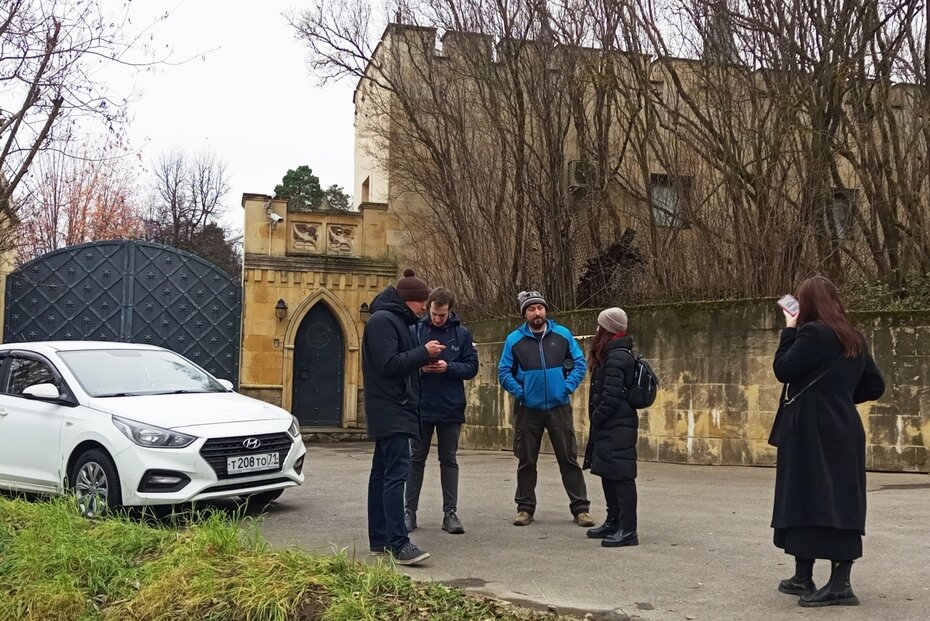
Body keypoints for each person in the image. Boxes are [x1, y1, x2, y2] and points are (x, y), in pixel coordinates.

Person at [770, 275, 885, 607]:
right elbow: (875, 386)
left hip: (809, 430)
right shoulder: (854, 338)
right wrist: (840, 397)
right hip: (844, 430)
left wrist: (789, 328)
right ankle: (817, 577)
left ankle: (833, 585)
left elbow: (784, 369)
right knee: (838, 499)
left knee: (803, 495)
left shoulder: (811, 333)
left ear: (805, 305)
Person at [362, 269, 445, 566]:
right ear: (408, 300)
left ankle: (380, 538)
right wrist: (423, 352)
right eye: (421, 301)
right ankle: (399, 543)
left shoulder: (393, 320)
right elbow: (388, 363)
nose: (424, 307)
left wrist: (421, 362)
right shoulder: (384, 321)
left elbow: (398, 363)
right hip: (392, 408)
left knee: (382, 474)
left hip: (393, 407)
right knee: (396, 475)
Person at [498, 290, 594, 527]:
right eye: (531, 309)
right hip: (528, 409)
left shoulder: (562, 335)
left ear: (546, 310)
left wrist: (567, 386)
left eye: (540, 307)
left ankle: (580, 509)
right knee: (526, 460)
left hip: (558, 406)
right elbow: (503, 372)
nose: (537, 312)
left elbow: (580, 363)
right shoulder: (514, 340)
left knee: (568, 459)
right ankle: (524, 508)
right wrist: (522, 393)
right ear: (525, 314)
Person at [404, 287, 479, 535]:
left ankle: (450, 513)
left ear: (450, 310)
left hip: (450, 407)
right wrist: (420, 365)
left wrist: (448, 367)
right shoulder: (416, 331)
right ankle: (409, 512)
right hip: (421, 406)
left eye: (442, 315)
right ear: (430, 309)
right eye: (435, 314)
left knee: (449, 460)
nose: (438, 319)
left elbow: (471, 367)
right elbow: (402, 361)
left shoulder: (461, 334)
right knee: (416, 460)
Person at [582, 307, 639, 547]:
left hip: (617, 426)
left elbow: (611, 396)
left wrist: (597, 416)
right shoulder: (611, 353)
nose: (596, 330)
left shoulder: (617, 356)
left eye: (600, 326)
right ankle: (613, 520)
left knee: (621, 477)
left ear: (608, 329)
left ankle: (628, 529)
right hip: (610, 426)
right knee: (608, 473)